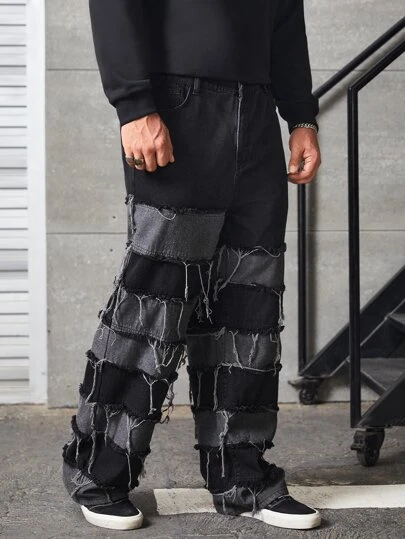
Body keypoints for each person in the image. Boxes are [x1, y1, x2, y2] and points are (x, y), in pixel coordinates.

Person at [61, 0, 322, 531]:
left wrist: (300, 115)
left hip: (257, 111)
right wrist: (134, 105)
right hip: (178, 105)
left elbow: (285, 15)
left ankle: (242, 477)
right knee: (154, 297)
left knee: (249, 299)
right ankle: (99, 471)